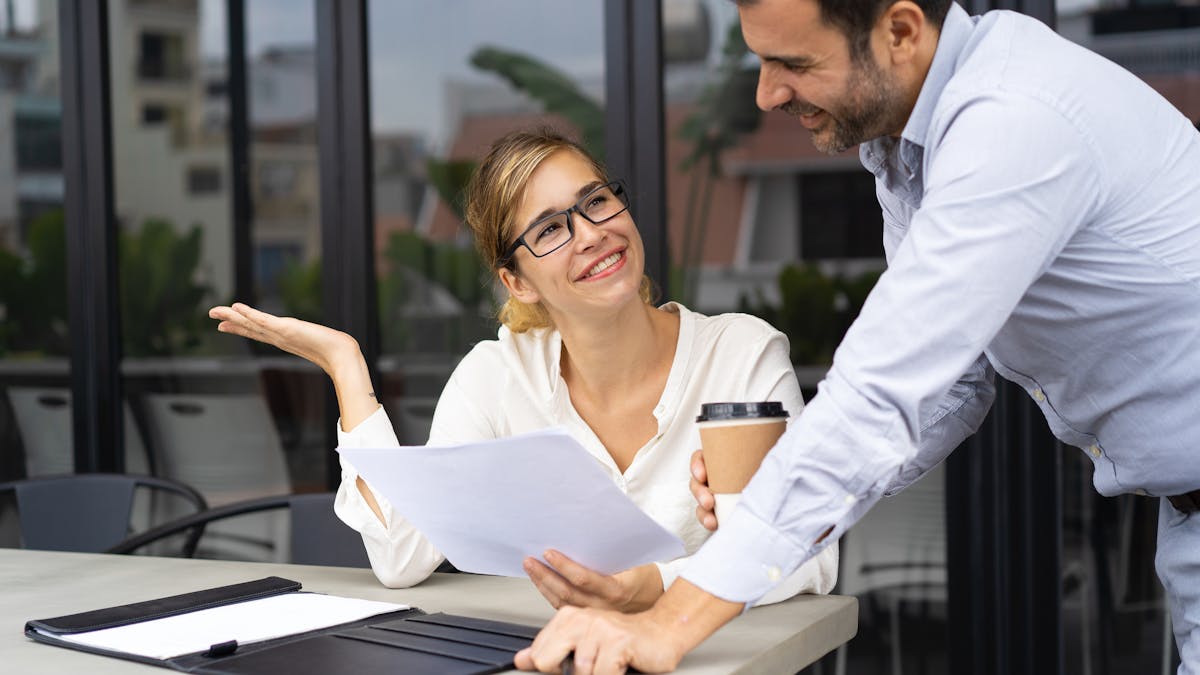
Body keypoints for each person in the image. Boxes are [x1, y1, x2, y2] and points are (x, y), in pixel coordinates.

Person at [514, 0, 1200, 673]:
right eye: (759, 60)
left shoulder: (1012, 121)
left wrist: (671, 621)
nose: (766, 93)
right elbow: (954, 384)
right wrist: (776, 476)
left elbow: (882, 389)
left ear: (900, 31)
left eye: (792, 63)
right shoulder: (906, 146)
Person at [208, 128, 837, 613]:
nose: (591, 233)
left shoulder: (742, 355)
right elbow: (402, 558)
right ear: (517, 280)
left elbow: (809, 554)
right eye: (550, 230)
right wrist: (347, 368)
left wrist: (650, 587)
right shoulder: (495, 378)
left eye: (595, 201)